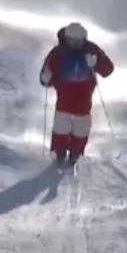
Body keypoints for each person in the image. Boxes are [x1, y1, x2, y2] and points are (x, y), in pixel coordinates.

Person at [38, 22, 114, 166]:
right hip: (64, 98)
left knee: (81, 128)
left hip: (84, 100)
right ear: (66, 39)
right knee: (61, 127)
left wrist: (97, 63)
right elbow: (45, 77)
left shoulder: (91, 50)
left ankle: (76, 155)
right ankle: (58, 154)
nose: (75, 45)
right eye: (72, 41)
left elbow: (108, 70)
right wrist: (45, 77)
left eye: (79, 42)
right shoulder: (58, 52)